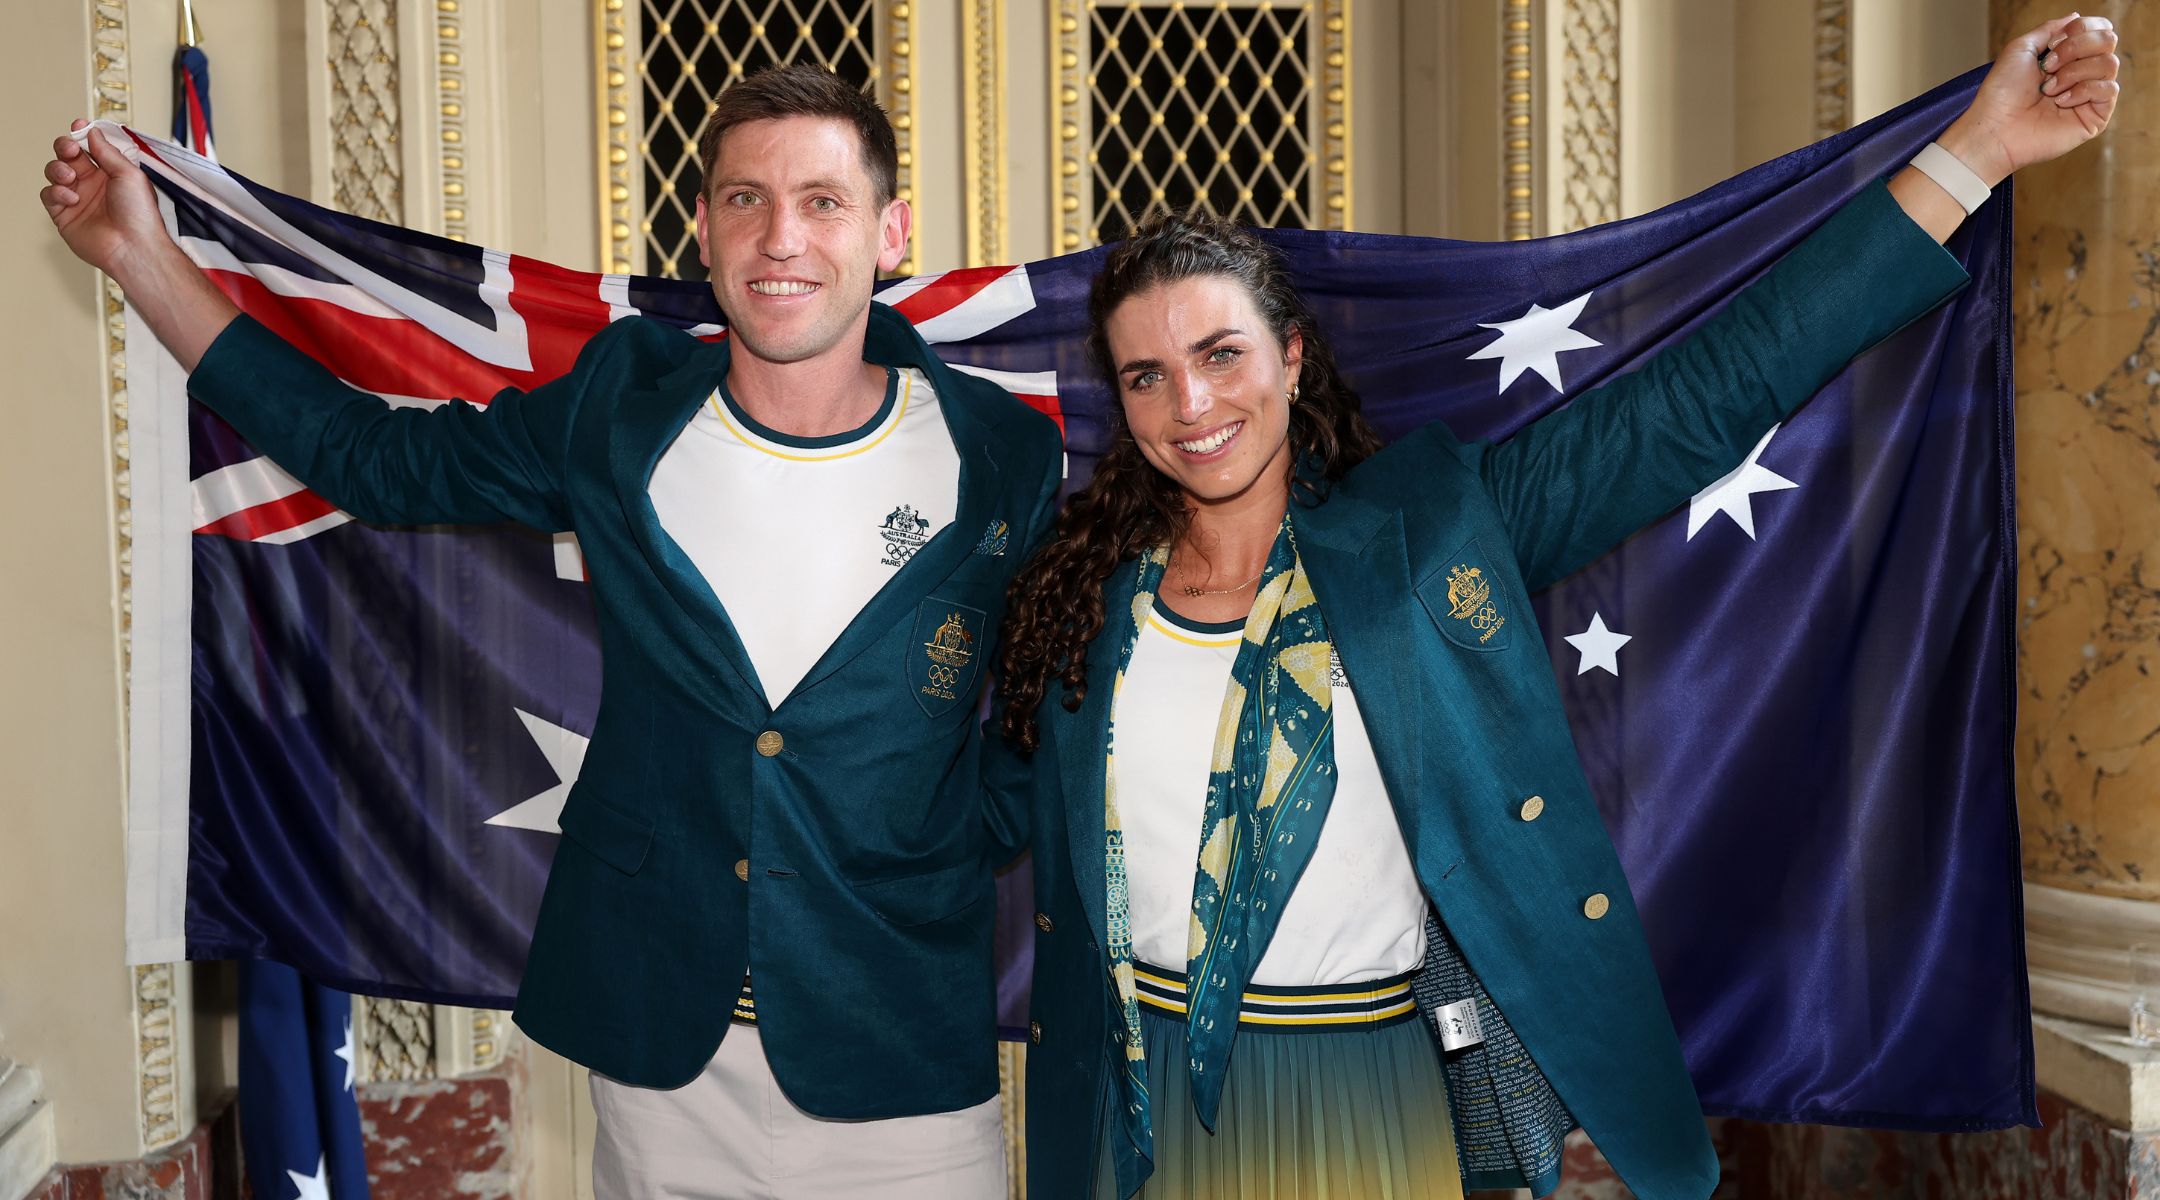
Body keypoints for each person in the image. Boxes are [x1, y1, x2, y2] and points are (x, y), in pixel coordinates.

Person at [993, 15, 2118, 1200]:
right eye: (1147, 376)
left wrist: (1980, 152)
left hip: (1366, 1087)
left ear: (1289, 355)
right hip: (1127, 1107)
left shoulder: (1431, 533)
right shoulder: (1087, 600)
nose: (1192, 403)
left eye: (1222, 354)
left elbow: (1709, 394)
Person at [42, 65, 1061, 1199]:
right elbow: (374, 463)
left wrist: (973, 824)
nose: (782, 236)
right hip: (665, 1059)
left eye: (822, 200)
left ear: (888, 231)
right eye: (745, 198)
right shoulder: (618, 409)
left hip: (904, 1049)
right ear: (705, 229)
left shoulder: (1001, 451)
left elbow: (1052, 677)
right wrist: (138, 255)